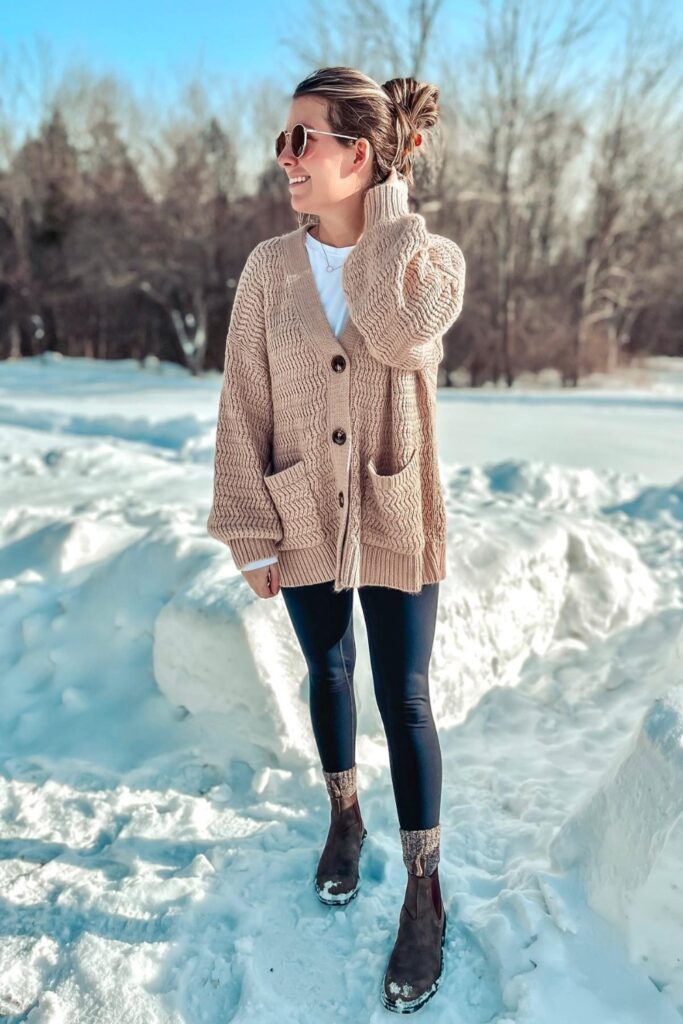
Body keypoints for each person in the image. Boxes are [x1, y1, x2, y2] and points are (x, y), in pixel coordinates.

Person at [207, 65, 466, 1013]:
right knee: (326, 670)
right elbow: (244, 398)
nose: (284, 159)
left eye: (302, 139)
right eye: (281, 140)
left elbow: (402, 336)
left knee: (403, 694)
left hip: (395, 505)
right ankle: (345, 818)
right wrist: (250, 525)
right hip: (300, 504)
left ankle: (426, 891)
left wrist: (391, 207)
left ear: (359, 155)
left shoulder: (425, 262)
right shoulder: (267, 268)